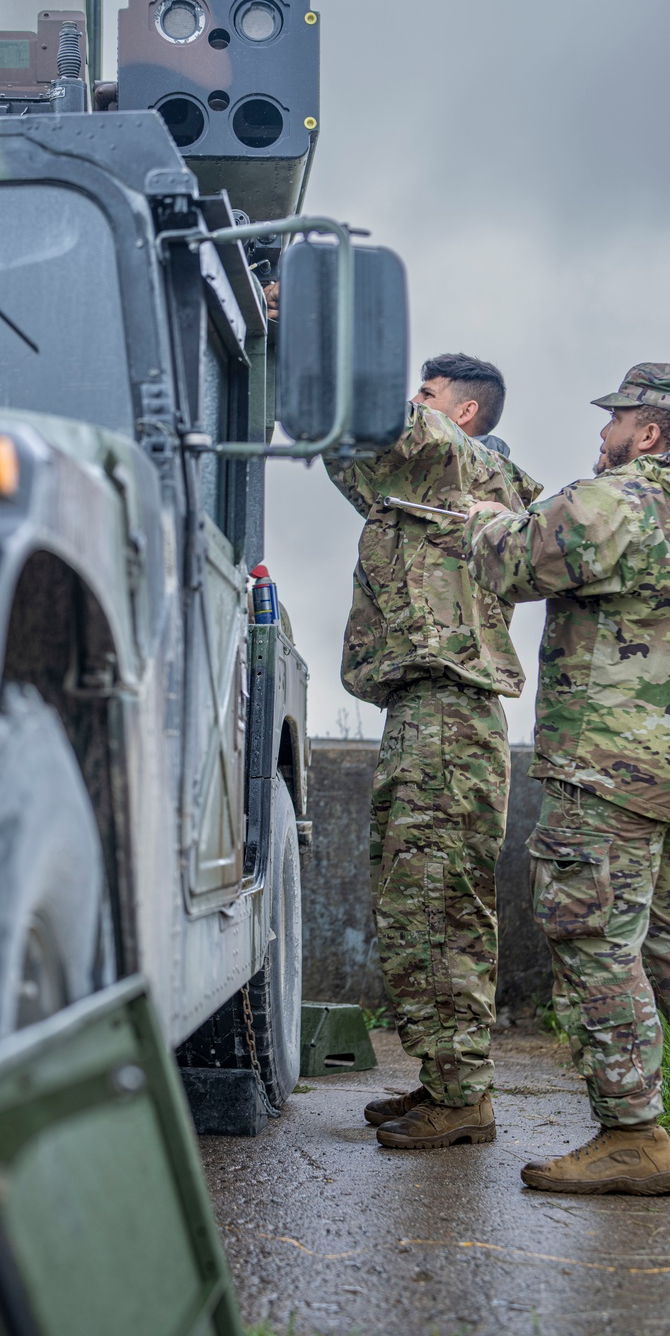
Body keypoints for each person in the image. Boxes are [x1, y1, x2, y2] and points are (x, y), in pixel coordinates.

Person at [464, 362, 670, 1193]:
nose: (605, 433)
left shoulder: (622, 499)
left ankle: (632, 1135)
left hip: (612, 769)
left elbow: (515, 564)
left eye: (617, 420)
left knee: (593, 940)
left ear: (648, 431)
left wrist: (486, 521)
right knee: (660, 949)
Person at [327, 353, 541, 1148]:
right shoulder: (422, 484)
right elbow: (347, 452)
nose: (414, 402)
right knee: (414, 898)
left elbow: (389, 421)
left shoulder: (471, 470)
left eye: (428, 393)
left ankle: (463, 1098)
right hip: (424, 709)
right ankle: (443, 1078)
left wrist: (330, 325)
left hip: (450, 711)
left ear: (466, 415)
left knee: (438, 902)